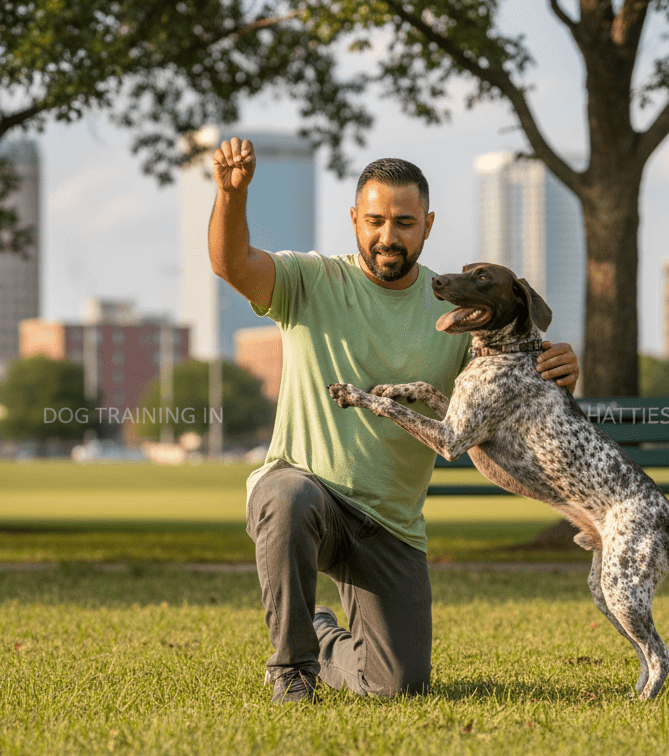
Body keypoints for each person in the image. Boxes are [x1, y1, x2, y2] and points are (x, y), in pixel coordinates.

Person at [207, 136, 579, 703]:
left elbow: (504, 409)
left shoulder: (459, 313)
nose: (388, 236)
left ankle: (325, 638)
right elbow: (232, 264)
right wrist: (231, 196)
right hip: (308, 495)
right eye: (375, 220)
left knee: (398, 686)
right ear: (354, 219)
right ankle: (291, 667)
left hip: (389, 525)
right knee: (285, 496)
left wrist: (560, 372)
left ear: (427, 225)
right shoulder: (310, 281)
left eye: (404, 222)